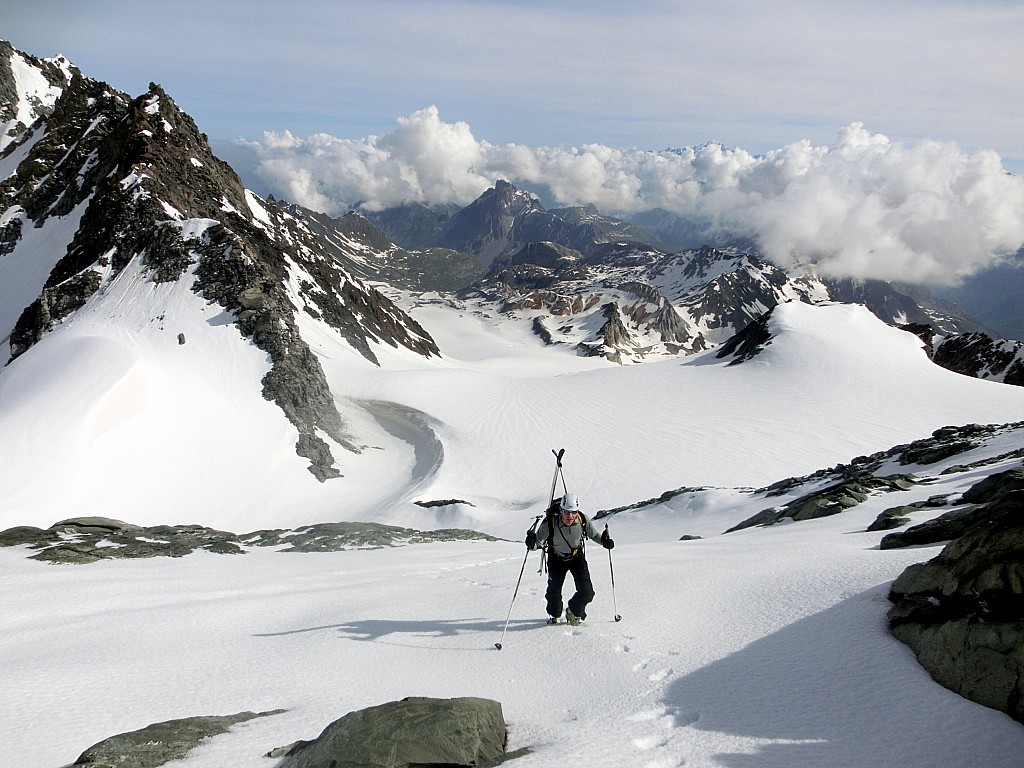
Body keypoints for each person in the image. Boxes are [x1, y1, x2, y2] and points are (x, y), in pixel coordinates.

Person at [525, 492, 614, 625]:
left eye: (573, 512)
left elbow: (594, 535)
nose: (570, 516)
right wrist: (531, 543)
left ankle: (573, 611)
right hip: (556, 560)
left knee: (587, 592)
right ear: (561, 510)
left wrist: (605, 542)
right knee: (553, 593)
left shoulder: (582, 519)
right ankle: (555, 615)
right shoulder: (551, 522)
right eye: (566, 512)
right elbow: (537, 544)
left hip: (577, 558)